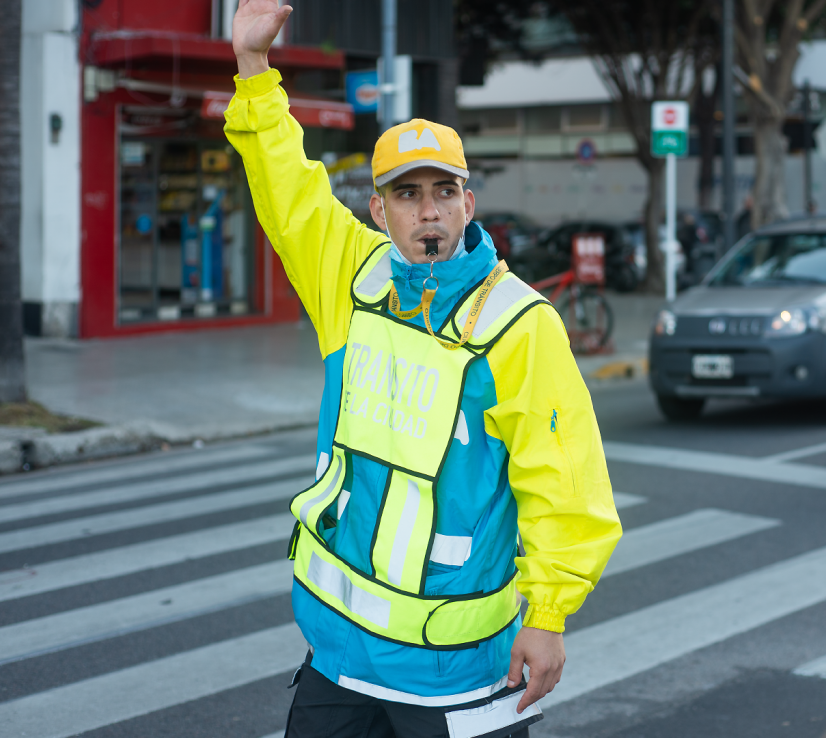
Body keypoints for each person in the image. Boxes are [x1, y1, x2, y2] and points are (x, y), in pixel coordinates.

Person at [223, 2, 623, 736]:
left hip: (460, 675)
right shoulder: (351, 277)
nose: (428, 212)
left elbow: (565, 486)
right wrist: (254, 68)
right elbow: (287, 187)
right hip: (339, 656)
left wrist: (550, 615)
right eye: (407, 195)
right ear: (379, 211)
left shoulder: (520, 324)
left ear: (469, 203)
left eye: (443, 192)